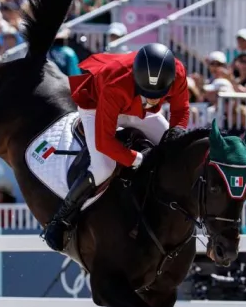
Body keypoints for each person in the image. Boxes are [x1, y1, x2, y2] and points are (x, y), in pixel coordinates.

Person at [42, 43, 190, 250]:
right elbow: (105, 142)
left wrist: (176, 137)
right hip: (97, 105)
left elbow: (181, 110)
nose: (154, 98)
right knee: (104, 167)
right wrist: (139, 159)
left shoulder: (178, 72)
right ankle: (62, 218)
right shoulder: (117, 83)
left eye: (159, 93)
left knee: (177, 156)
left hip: (140, 110)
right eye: (148, 92)